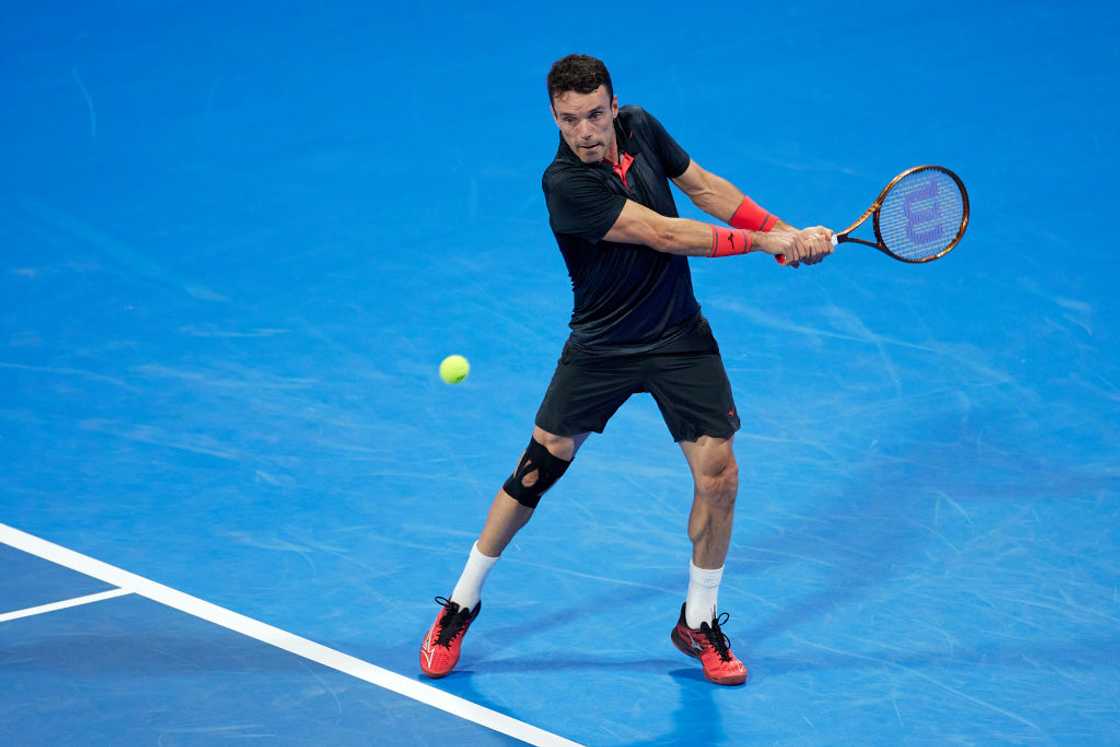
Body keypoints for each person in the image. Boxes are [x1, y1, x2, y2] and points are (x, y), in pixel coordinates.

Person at [420, 54, 832, 686]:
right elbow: (665, 234)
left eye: (593, 115)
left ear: (614, 107)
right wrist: (766, 244)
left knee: (719, 476)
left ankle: (699, 620)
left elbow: (704, 188)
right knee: (536, 471)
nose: (584, 131)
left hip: (677, 337)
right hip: (602, 347)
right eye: (568, 120)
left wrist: (783, 229)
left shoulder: (640, 127)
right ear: (553, 118)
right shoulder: (564, 185)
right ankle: (461, 602)